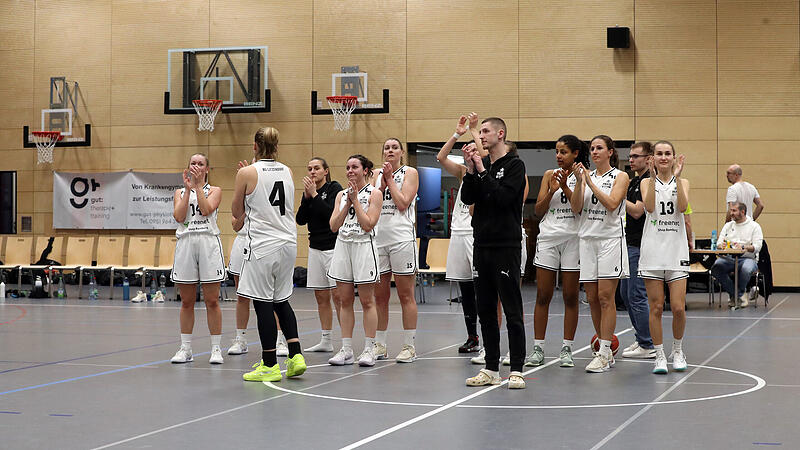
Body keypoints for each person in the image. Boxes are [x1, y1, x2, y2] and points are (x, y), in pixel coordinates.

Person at [232, 127, 306, 382]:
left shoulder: (246, 172)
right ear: (276, 146)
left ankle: (270, 364)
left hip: (263, 245)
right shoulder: (288, 170)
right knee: (281, 300)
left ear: (255, 146)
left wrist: (244, 180)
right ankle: (296, 356)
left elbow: (235, 210)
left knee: (262, 303)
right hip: (288, 242)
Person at [461, 116, 527, 390]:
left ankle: (517, 369)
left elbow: (503, 198)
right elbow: (467, 199)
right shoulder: (482, 166)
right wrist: (470, 170)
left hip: (505, 245)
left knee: (511, 308)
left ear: (500, 134)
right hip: (482, 244)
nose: (481, 136)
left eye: (486, 131)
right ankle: (490, 367)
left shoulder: (515, 165)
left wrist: (482, 171)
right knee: (485, 309)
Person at [528, 135, 589, 369]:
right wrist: (552, 189)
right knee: (543, 294)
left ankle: (567, 349)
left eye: (563, 152)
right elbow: (538, 210)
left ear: (575, 154)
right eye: (556, 151)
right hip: (549, 239)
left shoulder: (584, 175)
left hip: (573, 239)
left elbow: (578, 208)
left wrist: (566, 185)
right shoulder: (547, 175)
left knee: (570, 296)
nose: (558, 156)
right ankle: (538, 348)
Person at [571, 135, 630, 373]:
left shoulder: (620, 176)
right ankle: (602, 347)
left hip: (609, 240)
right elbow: (576, 207)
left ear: (610, 152)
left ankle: (605, 352)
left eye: (599, 148)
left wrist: (589, 182)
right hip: (587, 240)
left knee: (606, 297)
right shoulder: (585, 177)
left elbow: (612, 203)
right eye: (592, 149)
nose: (594, 152)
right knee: (593, 298)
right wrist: (578, 182)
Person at [228, 161, 290, 357]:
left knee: (272, 297)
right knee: (242, 295)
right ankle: (241, 338)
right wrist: (247, 203)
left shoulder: (272, 188)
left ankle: (280, 340)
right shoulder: (243, 194)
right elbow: (235, 225)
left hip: (264, 243)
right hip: (244, 242)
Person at [639, 141, 690, 374]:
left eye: (667, 153)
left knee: (678, 307)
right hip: (652, 250)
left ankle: (677, 350)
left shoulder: (684, 182)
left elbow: (682, 206)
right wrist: (651, 178)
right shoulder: (645, 182)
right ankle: (659, 355)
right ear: (653, 158)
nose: (663, 157)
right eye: (659, 153)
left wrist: (677, 177)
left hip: (676, 250)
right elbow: (649, 208)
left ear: (673, 157)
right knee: (657, 307)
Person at [327, 155, 383, 367]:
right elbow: (333, 225)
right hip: (343, 245)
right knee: (344, 300)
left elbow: (368, 223)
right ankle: (347, 349)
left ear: (366, 170)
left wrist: (356, 201)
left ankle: (369, 349)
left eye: (355, 167)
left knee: (367, 301)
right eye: (348, 167)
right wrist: (346, 203)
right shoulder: (341, 194)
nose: (350, 171)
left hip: (363, 245)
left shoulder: (375, 194)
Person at [437, 115, 486, 354]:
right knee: (465, 289)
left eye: (473, 148)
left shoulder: (486, 170)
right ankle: (472, 336)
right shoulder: (462, 172)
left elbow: (485, 156)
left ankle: (488, 337)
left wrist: (475, 134)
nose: (469, 151)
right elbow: (441, 157)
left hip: (477, 234)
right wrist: (457, 134)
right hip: (458, 233)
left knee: (481, 288)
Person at [169, 154, 225, 364]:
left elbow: (206, 209)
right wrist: (188, 191)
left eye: (200, 164)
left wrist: (198, 187)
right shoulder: (179, 192)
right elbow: (179, 217)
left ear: (207, 169)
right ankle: (186, 348)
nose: (196, 166)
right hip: (186, 242)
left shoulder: (215, 190)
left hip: (208, 243)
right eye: (193, 163)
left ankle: (216, 348)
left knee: (212, 300)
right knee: (186, 301)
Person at [373, 138, 420, 363]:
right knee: (379, 296)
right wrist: (381, 181)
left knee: (405, 294)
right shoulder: (375, 173)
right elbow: (372, 201)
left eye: (394, 147)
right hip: (379, 240)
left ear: (401, 152)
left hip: (401, 239)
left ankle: (409, 346)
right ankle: (380, 345)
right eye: (386, 147)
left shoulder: (410, 172)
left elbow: (402, 203)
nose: (390, 150)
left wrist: (390, 179)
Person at [296, 157, 343, 352]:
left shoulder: (334, 188)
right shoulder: (308, 193)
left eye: (316, 168)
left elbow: (330, 213)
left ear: (326, 171)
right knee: (321, 296)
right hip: (314, 247)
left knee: (338, 296)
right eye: (309, 169)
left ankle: (345, 341)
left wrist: (314, 194)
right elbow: (300, 219)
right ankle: (326, 340)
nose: (312, 172)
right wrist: (308, 198)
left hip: (332, 247)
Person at [619, 142, 656, 360]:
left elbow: (637, 212)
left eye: (635, 156)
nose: (631, 160)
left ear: (648, 158)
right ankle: (641, 337)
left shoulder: (646, 181)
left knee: (636, 294)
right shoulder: (634, 180)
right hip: (629, 242)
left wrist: (616, 199)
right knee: (625, 293)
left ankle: (647, 344)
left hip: (641, 244)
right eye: (630, 156)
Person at [711, 202, 763, 309]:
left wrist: (744, 247)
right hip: (729, 258)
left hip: (748, 258)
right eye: (730, 210)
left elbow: (757, 247)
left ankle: (735, 296)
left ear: (742, 212)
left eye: (734, 211)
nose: (731, 213)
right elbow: (719, 243)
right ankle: (739, 295)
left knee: (746, 269)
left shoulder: (754, 226)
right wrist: (722, 245)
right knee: (716, 267)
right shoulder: (728, 225)